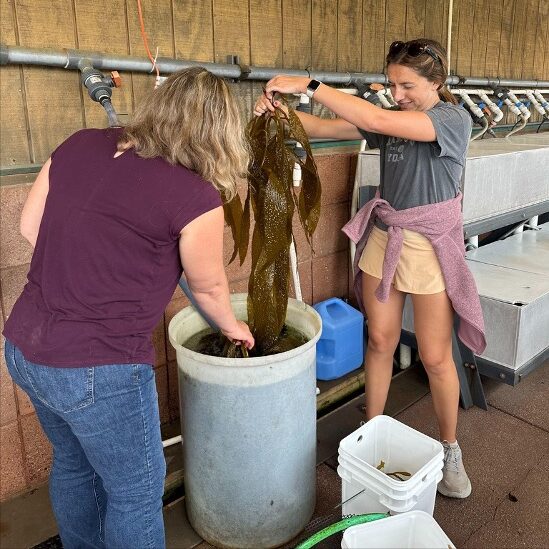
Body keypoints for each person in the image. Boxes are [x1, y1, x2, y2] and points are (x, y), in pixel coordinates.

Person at [3, 67, 254, 548]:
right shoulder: (196, 196)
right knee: (135, 492)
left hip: (24, 348)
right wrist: (234, 327)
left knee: (74, 465)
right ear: (219, 133)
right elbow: (208, 288)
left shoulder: (77, 143)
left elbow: (31, 227)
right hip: (100, 368)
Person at [254, 39, 486, 499]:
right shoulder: (395, 119)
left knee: (437, 357)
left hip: (429, 244)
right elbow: (323, 127)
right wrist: (279, 114)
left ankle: (450, 448)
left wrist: (309, 83)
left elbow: (376, 117)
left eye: (408, 85)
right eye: (393, 83)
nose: (398, 93)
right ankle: (373, 432)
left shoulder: (452, 120)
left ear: (436, 82)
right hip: (386, 235)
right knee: (379, 340)